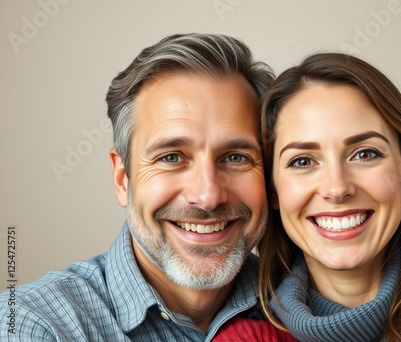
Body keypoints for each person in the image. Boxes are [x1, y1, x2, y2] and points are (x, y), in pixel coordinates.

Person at [0, 33, 276, 341]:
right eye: (171, 157)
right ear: (122, 177)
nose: (208, 196)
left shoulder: (313, 310)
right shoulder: (33, 324)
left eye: (236, 157)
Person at [215, 52, 401, 341]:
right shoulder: (243, 338)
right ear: (273, 191)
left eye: (365, 154)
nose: (337, 189)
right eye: (302, 161)